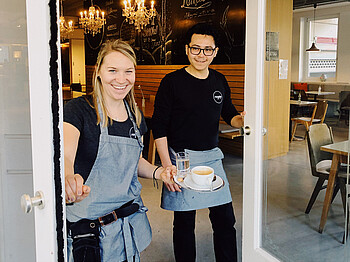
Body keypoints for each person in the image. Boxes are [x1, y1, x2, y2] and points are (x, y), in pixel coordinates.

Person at [63, 39, 179, 262]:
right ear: (98, 72)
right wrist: (68, 176)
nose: (121, 79)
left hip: (127, 224)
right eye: (113, 70)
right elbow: (66, 153)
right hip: (91, 231)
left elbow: (134, 161)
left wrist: (159, 172)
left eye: (128, 71)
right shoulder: (79, 110)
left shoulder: (134, 115)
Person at [152, 23, 245, 262]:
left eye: (207, 49)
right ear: (186, 49)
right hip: (181, 159)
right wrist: (166, 165)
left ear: (215, 52)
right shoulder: (171, 82)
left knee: (225, 220)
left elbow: (229, 113)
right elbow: (159, 126)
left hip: (212, 157)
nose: (201, 54)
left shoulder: (219, 80)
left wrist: (243, 121)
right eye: (196, 48)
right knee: (184, 221)